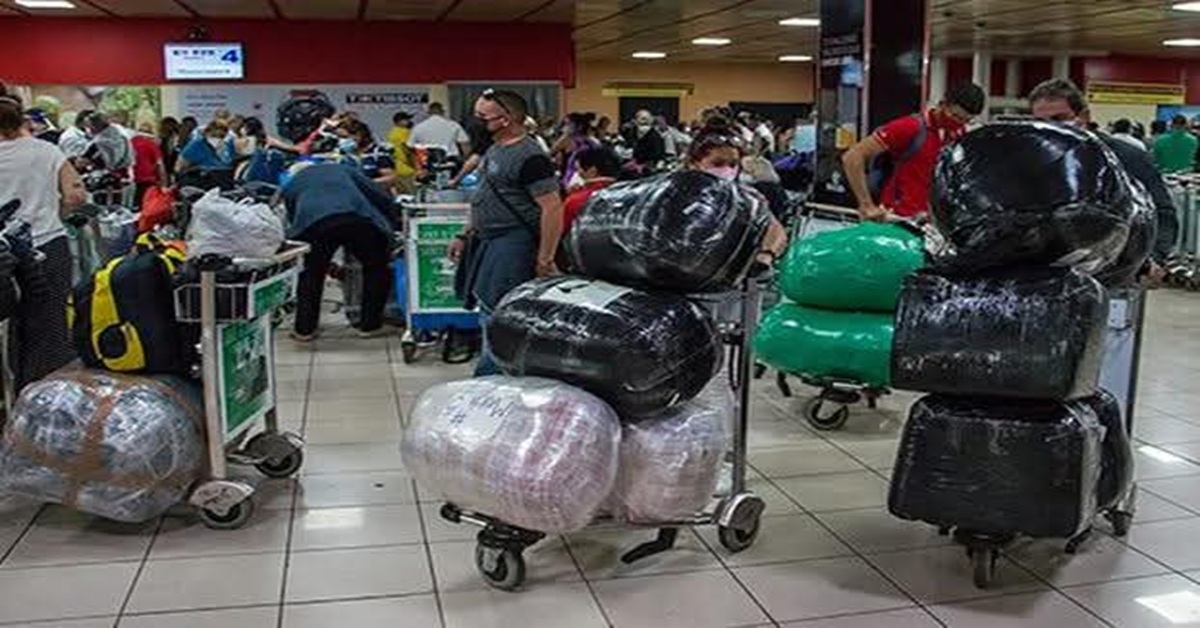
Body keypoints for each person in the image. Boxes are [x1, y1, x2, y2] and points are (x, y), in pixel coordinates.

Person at [449, 89, 563, 377]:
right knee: (487, 310)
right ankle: (491, 378)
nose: (476, 122)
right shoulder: (494, 149)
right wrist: (465, 233)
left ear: (506, 119)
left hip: (513, 243)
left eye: (482, 117)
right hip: (487, 241)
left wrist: (546, 258)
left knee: (498, 315)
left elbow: (552, 207)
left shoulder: (530, 156)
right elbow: (483, 195)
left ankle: (488, 381)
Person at [1028, 78, 1178, 282]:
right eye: (1041, 121)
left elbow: (1162, 210)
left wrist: (1153, 258)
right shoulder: (1032, 159)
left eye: (1059, 118)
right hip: (1047, 271)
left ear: (1083, 116)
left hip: (1116, 270)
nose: (1050, 128)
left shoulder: (1124, 156)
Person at [0, 94, 86, 387]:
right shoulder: (47, 151)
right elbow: (75, 195)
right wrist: (53, 212)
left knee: (7, 325)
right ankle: (39, 391)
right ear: (20, 120)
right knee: (48, 322)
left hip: (2, 253)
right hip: (47, 244)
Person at [281, 162, 396, 342]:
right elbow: (376, 192)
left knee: (312, 274)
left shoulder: (293, 182)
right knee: (376, 267)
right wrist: (391, 219)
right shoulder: (342, 169)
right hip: (355, 218)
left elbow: (293, 215)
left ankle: (304, 330)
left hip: (314, 224)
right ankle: (370, 326)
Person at [842, 82, 986, 221]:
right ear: (943, 104)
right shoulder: (909, 127)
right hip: (898, 218)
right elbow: (852, 156)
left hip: (933, 222)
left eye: (965, 120)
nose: (958, 123)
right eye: (955, 116)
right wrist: (866, 205)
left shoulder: (958, 133)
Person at [684, 117, 789, 261]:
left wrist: (767, 254)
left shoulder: (748, 197)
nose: (727, 170)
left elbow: (775, 230)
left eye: (733, 164)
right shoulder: (676, 193)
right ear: (693, 163)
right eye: (718, 163)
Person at [562, 145, 621, 232]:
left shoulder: (575, 200)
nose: (578, 174)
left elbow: (559, 230)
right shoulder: (629, 194)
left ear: (592, 171)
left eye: (578, 169)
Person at [339, 119, 396, 187]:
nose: (343, 140)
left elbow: (390, 177)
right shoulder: (344, 155)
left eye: (345, 137)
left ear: (359, 135)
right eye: (341, 137)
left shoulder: (377, 153)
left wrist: (366, 182)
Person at [554, 112, 600, 189]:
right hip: (589, 178)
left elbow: (551, 152)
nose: (565, 127)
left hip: (570, 179)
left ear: (577, 126)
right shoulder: (593, 141)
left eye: (568, 124)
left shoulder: (567, 139)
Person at [130, 121, 166, 207]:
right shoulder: (151, 144)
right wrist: (164, 184)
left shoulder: (129, 142)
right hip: (147, 181)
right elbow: (160, 165)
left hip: (131, 180)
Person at [387, 111, 418, 193]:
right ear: (399, 122)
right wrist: (416, 167)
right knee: (413, 194)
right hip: (408, 168)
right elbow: (408, 151)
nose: (409, 121)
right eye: (406, 119)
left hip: (397, 168)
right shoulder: (404, 132)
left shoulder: (392, 132)